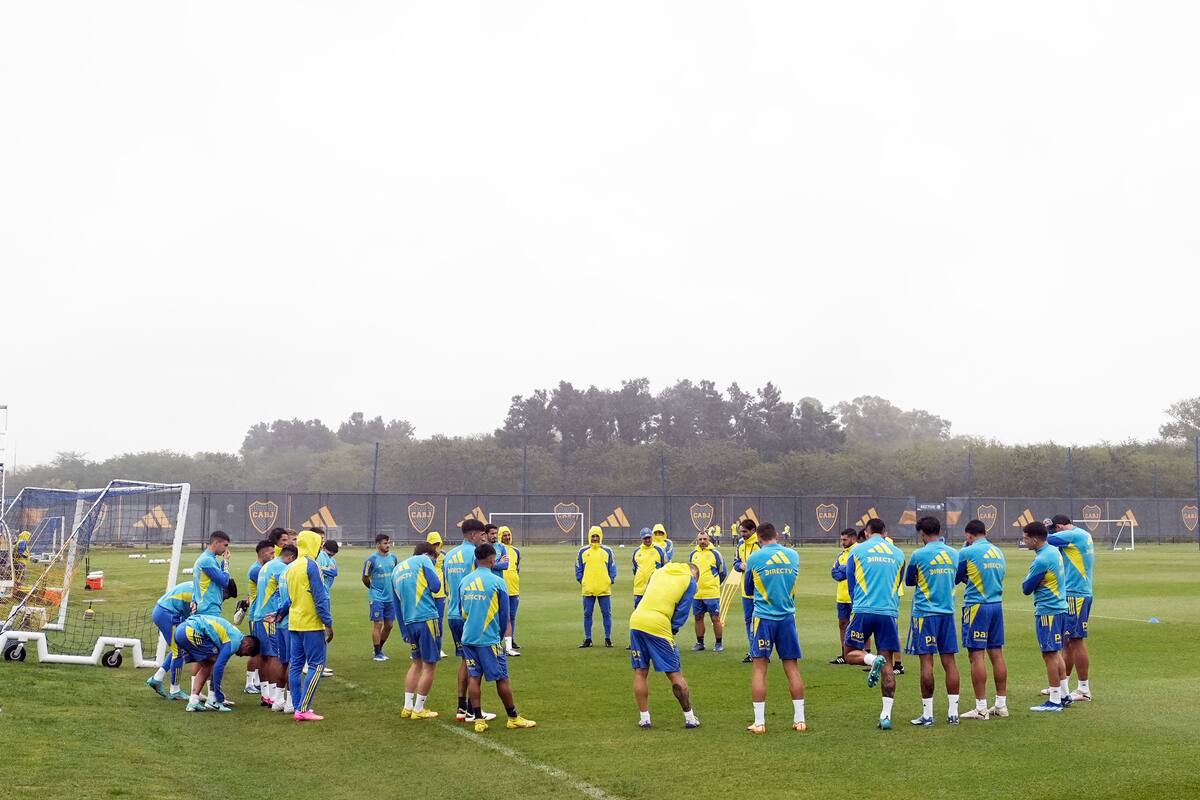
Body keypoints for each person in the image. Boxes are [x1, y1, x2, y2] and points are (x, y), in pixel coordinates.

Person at [459, 543, 537, 732]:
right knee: (502, 678)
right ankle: (513, 717)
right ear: (492, 559)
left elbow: (463, 611)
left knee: (474, 677)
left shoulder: (465, 581)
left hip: (468, 637)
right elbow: (505, 615)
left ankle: (478, 720)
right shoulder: (497, 582)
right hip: (489, 639)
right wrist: (500, 635)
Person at [842, 517, 906, 729]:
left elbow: (851, 581)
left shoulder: (857, 551)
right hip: (888, 612)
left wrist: (857, 602)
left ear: (867, 533)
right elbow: (898, 583)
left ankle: (871, 659)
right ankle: (886, 716)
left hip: (863, 609)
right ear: (885, 533)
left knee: (849, 653)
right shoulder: (898, 553)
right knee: (888, 662)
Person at [743, 523, 807, 734]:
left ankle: (759, 723)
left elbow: (748, 588)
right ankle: (800, 720)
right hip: (787, 618)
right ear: (777, 535)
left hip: (763, 619)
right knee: (792, 668)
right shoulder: (793, 555)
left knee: (760, 668)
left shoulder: (755, 558)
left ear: (758, 538)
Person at [903, 516, 961, 726]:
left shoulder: (919, 554)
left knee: (926, 662)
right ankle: (953, 712)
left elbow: (910, 581)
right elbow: (955, 578)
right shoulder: (954, 553)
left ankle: (928, 715)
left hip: (925, 613)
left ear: (922, 533)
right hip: (947, 612)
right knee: (950, 661)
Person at [630, 561, 701, 729]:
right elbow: (682, 611)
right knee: (675, 674)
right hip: (659, 624)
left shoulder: (659, 571)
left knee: (640, 672)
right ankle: (690, 718)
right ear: (694, 573)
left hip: (636, 620)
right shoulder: (689, 580)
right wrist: (673, 629)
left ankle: (644, 718)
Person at [275, 530, 334, 722]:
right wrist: (328, 622)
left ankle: (297, 705)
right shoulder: (311, 565)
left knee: (296, 665)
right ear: (314, 544)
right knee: (317, 665)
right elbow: (320, 596)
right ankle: (303, 708)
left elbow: (290, 598)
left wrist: (280, 614)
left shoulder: (291, 567)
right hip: (311, 623)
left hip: (294, 623)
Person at [956, 518, 1009, 720]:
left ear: (969, 535)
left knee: (976, 655)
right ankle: (1001, 705)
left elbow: (956, 577)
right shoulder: (998, 551)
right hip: (996, 605)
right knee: (997, 654)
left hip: (977, 605)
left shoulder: (967, 552)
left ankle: (981, 708)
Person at [445, 519, 495, 723]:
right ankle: (475, 712)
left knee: (465, 661)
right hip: (469, 615)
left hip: (452, 613)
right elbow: (480, 580)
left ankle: (461, 708)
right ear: (474, 534)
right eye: (481, 535)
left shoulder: (449, 555)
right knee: (474, 664)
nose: (483, 538)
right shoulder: (473, 555)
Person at [1021, 521, 1070, 712]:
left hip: (1048, 610)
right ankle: (1065, 694)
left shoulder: (1041, 560)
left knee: (1049, 654)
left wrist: (1028, 582)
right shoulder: (1053, 551)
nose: (1024, 541)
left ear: (1034, 539)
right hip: (1059, 608)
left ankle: (1055, 699)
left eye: (1025, 538)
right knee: (1055, 652)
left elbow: (1026, 588)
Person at [1047, 514, 1095, 702]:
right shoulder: (1082, 534)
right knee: (1068, 641)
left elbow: (1044, 540)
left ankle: (1083, 689)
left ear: (1059, 527)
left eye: (1054, 530)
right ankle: (1062, 685)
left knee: (1076, 641)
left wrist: (1040, 530)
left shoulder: (1072, 536)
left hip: (1076, 593)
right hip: (1079, 592)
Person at [392, 541, 443, 720]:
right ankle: (419, 709)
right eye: (435, 556)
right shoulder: (424, 560)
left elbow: (396, 605)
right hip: (426, 617)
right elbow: (436, 586)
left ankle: (407, 706)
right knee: (430, 665)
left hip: (409, 621)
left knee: (416, 663)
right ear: (428, 554)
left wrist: (404, 630)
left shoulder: (396, 569)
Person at [171, 614, 259, 712]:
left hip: (180, 630)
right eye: (245, 654)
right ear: (247, 646)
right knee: (214, 662)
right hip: (189, 631)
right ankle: (213, 700)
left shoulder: (235, 633)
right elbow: (218, 667)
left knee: (207, 665)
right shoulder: (235, 641)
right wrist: (218, 694)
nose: (241, 656)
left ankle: (193, 701)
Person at [147, 580, 200, 700]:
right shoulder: (196, 595)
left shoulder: (196, 586)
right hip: (167, 615)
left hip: (163, 611)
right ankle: (175, 690)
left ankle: (157, 679)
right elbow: (191, 618)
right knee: (178, 653)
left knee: (179, 648)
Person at [242, 538, 275, 695]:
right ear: (262, 553)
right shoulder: (257, 570)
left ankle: (255, 682)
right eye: (271, 553)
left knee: (261, 651)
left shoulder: (261, 568)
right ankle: (250, 683)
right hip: (257, 614)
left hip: (258, 613)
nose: (274, 555)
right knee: (257, 650)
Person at [576, 526, 617, 648]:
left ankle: (608, 638)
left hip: (604, 589)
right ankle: (588, 639)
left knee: (606, 614)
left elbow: (613, 567)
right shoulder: (582, 552)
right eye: (593, 536)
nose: (595, 538)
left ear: (600, 537)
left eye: (597, 536)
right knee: (587, 614)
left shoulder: (607, 551)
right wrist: (582, 580)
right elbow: (578, 567)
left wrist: (610, 580)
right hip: (588, 589)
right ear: (589, 537)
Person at [688, 529, 726, 652]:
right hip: (697, 593)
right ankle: (700, 643)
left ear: (709, 540)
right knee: (698, 618)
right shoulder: (693, 554)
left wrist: (713, 584)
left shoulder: (716, 554)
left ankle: (718, 643)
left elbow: (723, 572)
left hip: (711, 593)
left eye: (705, 539)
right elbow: (691, 571)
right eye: (700, 539)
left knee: (715, 618)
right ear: (697, 540)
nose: (703, 541)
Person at [362, 533, 399, 661]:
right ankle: (377, 653)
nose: (388, 545)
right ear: (378, 545)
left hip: (390, 597)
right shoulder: (371, 560)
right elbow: (365, 577)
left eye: (388, 543)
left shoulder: (393, 558)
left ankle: (379, 649)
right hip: (377, 597)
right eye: (385, 543)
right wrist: (373, 590)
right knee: (378, 624)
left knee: (389, 625)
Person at [732, 519, 761, 663]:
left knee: (761, 621)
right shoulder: (740, 545)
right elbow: (735, 563)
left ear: (753, 530)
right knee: (749, 621)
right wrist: (740, 566)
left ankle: (762, 652)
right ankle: (753, 652)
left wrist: (751, 567)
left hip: (760, 591)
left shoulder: (760, 545)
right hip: (745, 591)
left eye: (744, 531)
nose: (742, 534)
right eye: (740, 532)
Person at [829, 528, 857, 664]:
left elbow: (856, 571)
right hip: (842, 595)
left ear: (853, 538)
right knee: (842, 624)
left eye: (845, 539)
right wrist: (846, 570)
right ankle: (844, 654)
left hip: (856, 595)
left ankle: (863, 653)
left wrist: (844, 569)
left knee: (859, 625)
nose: (842, 542)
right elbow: (834, 572)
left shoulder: (859, 552)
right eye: (842, 540)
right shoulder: (841, 554)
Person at [191, 531, 231, 617]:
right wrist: (226, 562)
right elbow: (224, 581)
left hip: (203, 607)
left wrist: (194, 600)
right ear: (216, 543)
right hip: (209, 609)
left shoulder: (205, 558)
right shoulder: (207, 560)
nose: (226, 549)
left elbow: (197, 585)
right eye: (225, 545)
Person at [499, 526, 522, 655]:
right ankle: (498, 641)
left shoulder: (516, 551)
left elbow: (517, 568)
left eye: (508, 535)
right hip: (501, 588)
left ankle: (510, 640)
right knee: (502, 616)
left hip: (514, 588)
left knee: (512, 616)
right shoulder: (497, 550)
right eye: (504, 535)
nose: (507, 537)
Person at [631, 528, 666, 610]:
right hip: (639, 589)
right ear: (641, 539)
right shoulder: (637, 552)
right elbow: (635, 569)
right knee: (638, 612)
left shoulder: (659, 550)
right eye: (645, 538)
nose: (647, 540)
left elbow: (664, 567)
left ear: (652, 537)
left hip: (654, 589)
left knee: (654, 611)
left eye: (649, 537)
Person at [426, 531, 448, 654]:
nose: (435, 546)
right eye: (433, 544)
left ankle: (438, 647)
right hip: (426, 593)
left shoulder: (444, 555)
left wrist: (447, 589)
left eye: (437, 543)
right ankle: (422, 646)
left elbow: (447, 572)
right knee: (425, 620)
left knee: (438, 620)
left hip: (440, 594)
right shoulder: (423, 556)